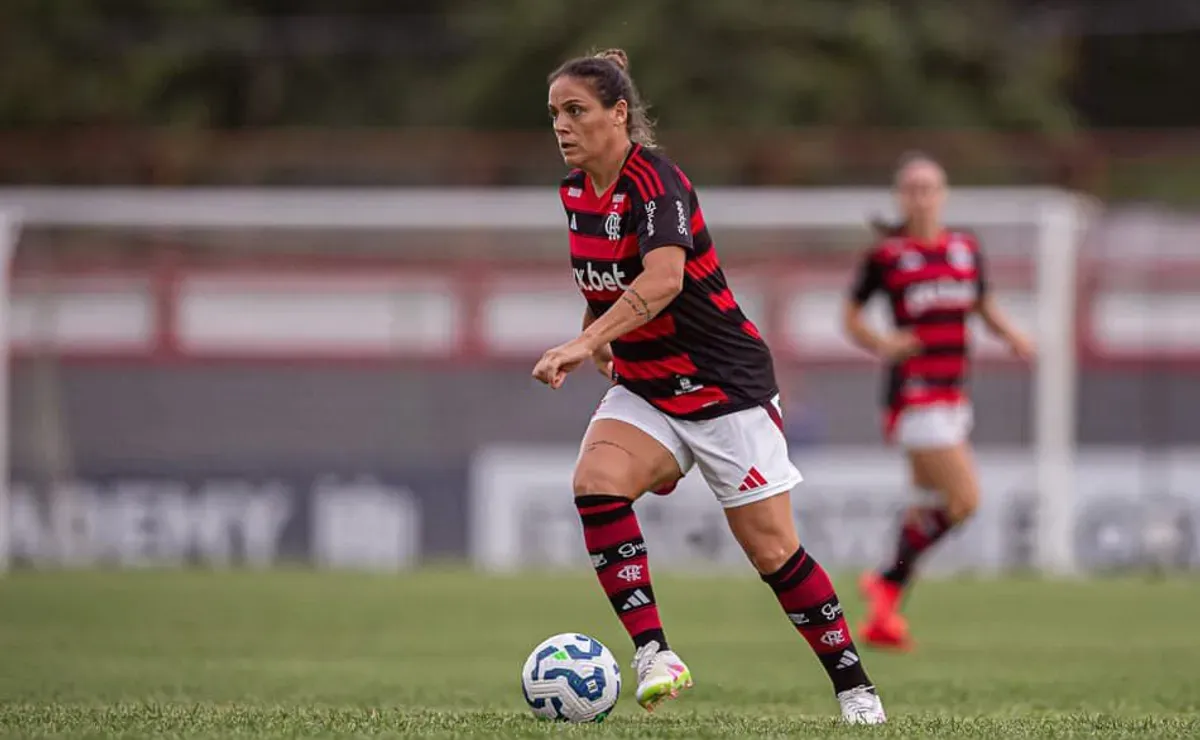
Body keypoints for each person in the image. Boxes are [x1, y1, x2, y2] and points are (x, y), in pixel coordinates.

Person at [532, 48, 886, 725]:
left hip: (724, 385)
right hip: (648, 386)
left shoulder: (658, 183)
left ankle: (854, 686)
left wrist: (582, 344)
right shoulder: (575, 195)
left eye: (575, 111)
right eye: (554, 114)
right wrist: (597, 332)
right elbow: (604, 282)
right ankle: (654, 654)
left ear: (619, 113)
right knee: (595, 483)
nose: (562, 126)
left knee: (773, 551)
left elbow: (663, 280)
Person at [842, 152, 1035, 651]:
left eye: (930, 187)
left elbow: (981, 303)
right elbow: (851, 317)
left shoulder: (965, 249)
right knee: (964, 500)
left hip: (954, 393)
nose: (922, 196)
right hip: (914, 394)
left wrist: (1012, 335)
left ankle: (884, 611)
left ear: (943, 194)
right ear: (901, 197)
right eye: (913, 188)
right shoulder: (887, 257)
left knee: (924, 508)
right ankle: (886, 578)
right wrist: (885, 344)